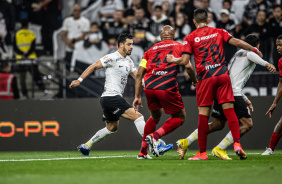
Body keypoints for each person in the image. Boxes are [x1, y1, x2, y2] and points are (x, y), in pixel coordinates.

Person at [167, 8, 263, 160]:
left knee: (203, 116)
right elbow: (237, 42)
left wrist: (173, 60)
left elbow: (185, 62)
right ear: (208, 20)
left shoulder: (190, 37)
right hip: (222, 75)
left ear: (194, 21)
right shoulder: (219, 31)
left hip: (205, 77)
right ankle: (237, 144)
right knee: (230, 111)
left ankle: (202, 153)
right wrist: (253, 49)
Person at [176, 34, 276, 160]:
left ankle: (186, 141)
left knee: (217, 124)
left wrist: (245, 98)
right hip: (232, 93)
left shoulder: (238, 54)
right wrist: (267, 64)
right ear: (257, 45)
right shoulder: (249, 53)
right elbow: (252, 54)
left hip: (223, 90)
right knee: (247, 124)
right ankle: (220, 148)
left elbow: (233, 79)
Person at [69, 33, 148, 157]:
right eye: (129, 44)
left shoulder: (128, 61)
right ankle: (155, 142)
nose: (132, 47)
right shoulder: (112, 57)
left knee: (111, 128)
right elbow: (94, 66)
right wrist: (80, 80)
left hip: (110, 99)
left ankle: (86, 146)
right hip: (111, 97)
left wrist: (145, 83)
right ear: (121, 45)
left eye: (132, 44)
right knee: (138, 117)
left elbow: (137, 76)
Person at [133, 25, 198, 158]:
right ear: (173, 36)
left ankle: (143, 152)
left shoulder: (149, 50)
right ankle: (154, 136)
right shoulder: (179, 46)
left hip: (150, 87)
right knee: (180, 117)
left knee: (155, 117)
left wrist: (137, 95)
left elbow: (139, 74)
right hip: (166, 85)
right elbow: (189, 67)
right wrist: (195, 80)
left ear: (161, 36)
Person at [14, 18, 47, 98]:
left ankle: (25, 94)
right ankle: (43, 89)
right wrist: (27, 54)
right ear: (28, 25)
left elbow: (15, 47)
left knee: (22, 78)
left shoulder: (17, 34)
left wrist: (22, 54)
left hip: (20, 59)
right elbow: (33, 47)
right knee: (36, 75)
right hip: (31, 58)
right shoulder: (31, 33)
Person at [262, 35, 282, 155]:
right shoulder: (280, 61)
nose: (278, 47)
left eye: (280, 44)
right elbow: (281, 83)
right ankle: (270, 149)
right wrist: (274, 103)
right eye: (277, 45)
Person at [61, 4, 90, 70]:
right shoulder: (67, 20)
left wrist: (73, 41)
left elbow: (84, 35)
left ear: (81, 11)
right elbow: (63, 34)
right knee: (68, 65)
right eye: (75, 10)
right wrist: (67, 42)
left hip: (79, 46)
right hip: (68, 45)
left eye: (78, 11)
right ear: (72, 11)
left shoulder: (85, 21)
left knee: (79, 67)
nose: (77, 12)